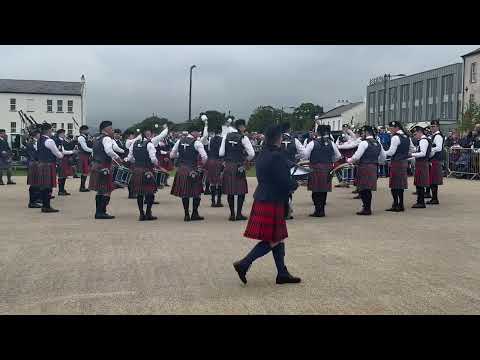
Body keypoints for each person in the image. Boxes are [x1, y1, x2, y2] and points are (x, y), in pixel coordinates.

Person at [233, 123, 300, 285]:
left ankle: (282, 273)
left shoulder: (263, 154)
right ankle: (244, 263)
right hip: (273, 199)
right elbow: (282, 179)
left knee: (278, 237)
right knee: (274, 239)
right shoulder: (277, 156)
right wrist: (295, 185)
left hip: (263, 196)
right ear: (278, 138)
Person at [219, 119, 255, 221]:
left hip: (228, 165)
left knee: (230, 191)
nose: (245, 128)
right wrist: (245, 160)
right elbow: (252, 154)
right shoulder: (244, 138)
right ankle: (238, 214)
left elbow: (221, 153)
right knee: (241, 191)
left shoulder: (225, 136)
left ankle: (232, 214)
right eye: (244, 126)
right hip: (239, 166)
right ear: (240, 127)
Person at [170, 124, 208, 221]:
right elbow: (204, 157)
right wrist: (201, 165)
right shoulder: (197, 143)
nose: (199, 134)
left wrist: (181, 156)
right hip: (192, 169)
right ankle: (194, 213)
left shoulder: (179, 141)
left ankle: (186, 215)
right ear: (193, 132)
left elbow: (172, 155)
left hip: (182, 169)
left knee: (185, 193)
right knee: (197, 192)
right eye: (198, 132)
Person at [303, 124, 341, 217]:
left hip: (315, 167)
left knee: (315, 190)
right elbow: (338, 156)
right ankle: (322, 210)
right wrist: (330, 161)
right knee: (324, 190)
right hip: (327, 167)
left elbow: (305, 155)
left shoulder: (312, 143)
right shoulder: (331, 143)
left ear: (317, 132)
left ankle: (317, 210)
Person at [347, 125, 386, 215]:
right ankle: (367, 207)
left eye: (363, 132)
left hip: (364, 167)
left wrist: (349, 160)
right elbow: (383, 157)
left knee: (364, 189)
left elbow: (357, 156)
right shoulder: (378, 143)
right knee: (368, 189)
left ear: (366, 132)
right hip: (373, 167)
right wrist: (376, 162)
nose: (362, 134)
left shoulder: (364, 143)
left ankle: (366, 208)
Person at [88, 121, 123, 219]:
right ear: (105, 129)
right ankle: (101, 212)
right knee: (107, 190)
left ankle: (98, 212)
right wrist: (117, 157)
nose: (112, 130)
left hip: (97, 164)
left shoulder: (97, 138)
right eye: (111, 128)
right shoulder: (107, 138)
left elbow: (93, 153)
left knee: (100, 190)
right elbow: (108, 151)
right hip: (104, 165)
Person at [126, 128, 159, 221]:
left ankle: (141, 214)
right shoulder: (149, 144)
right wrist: (156, 164)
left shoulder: (134, 144)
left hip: (137, 170)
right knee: (150, 193)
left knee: (140, 193)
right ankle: (148, 213)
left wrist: (137, 162)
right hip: (147, 170)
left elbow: (130, 158)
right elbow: (153, 159)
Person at [30, 123, 64, 212]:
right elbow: (58, 155)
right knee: (48, 186)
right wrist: (62, 153)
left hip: (41, 164)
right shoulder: (50, 141)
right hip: (48, 165)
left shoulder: (39, 140)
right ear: (49, 130)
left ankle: (45, 205)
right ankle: (46, 206)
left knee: (44, 186)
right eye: (51, 130)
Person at [280, 123, 306, 219]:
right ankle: (287, 212)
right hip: (290, 167)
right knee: (289, 190)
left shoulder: (275, 139)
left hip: (278, 167)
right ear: (289, 129)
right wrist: (295, 158)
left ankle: (280, 211)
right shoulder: (295, 140)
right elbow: (304, 153)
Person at [384, 121, 410, 212]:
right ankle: (401, 204)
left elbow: (391, 152)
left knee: (394, 185)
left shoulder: (395, 137)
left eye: (391, 128)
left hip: (396, 162)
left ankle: (396, 204)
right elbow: (411, 149)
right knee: (401, 185)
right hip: (403, 162)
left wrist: (382, 153)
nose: (390, 130)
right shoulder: (406, 137)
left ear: (396, 128)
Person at [411, 125, 432, 208]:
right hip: (423, 163)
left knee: (420, 183)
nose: (415, 136)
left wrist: (411, 154)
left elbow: (423, 153)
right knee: (420, 182)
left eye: (415, 134)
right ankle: (420, 201)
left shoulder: (423, 141)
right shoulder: (424, 140)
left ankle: (421, 202)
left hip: (422, 163)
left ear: (420, 132)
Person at [205, 125, 225, 207]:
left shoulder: (211, 139)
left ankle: (213, 201)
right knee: (220, 182)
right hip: (220, 161)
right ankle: (219, 201)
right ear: (221, 132)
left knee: (212, 182)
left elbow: (209, 149)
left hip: (211, 161)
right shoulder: (223, 140)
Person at [54, 129, 76, 196]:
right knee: (61, 175)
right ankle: (60, 190)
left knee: (64, 175)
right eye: (63, 133)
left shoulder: (62, 140)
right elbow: (62, 151)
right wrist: (72, 152)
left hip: (64, 159)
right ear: (60, 134)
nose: (64, 135)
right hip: (61, 159)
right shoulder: (58, 141)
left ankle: (62, 189)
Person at [428, 120, 444, 205]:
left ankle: (435, 199)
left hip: (435, 159)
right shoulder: (433, 136)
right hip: (433, 159)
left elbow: (439, 148)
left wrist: (430, 150)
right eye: (431, 126)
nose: (432, 128)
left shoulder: (438, 136)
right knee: (432, 180)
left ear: (438, 127)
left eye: (434, 126)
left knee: (434, 180)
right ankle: (434, 198)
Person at [25, 129, 42, 208]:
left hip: (36, 163)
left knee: (37, 183)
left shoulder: (36, 142)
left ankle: (36, 199)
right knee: (34, 184)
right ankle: (32, 202)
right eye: (39, 134)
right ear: (36, 135)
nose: (40, 135)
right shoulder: (31, 143)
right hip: (34, 164)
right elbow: (33, 155)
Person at [77, 125, 93, 192]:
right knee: (84, 171)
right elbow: (85, 148)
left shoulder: (86, 137)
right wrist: (93, 150)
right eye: (86, 130)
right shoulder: (81, 138)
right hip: (83, 155)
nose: (87, 131)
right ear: (82, 130)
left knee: (86, 171)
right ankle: (82, 187)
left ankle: (83, 186)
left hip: (86, 156)